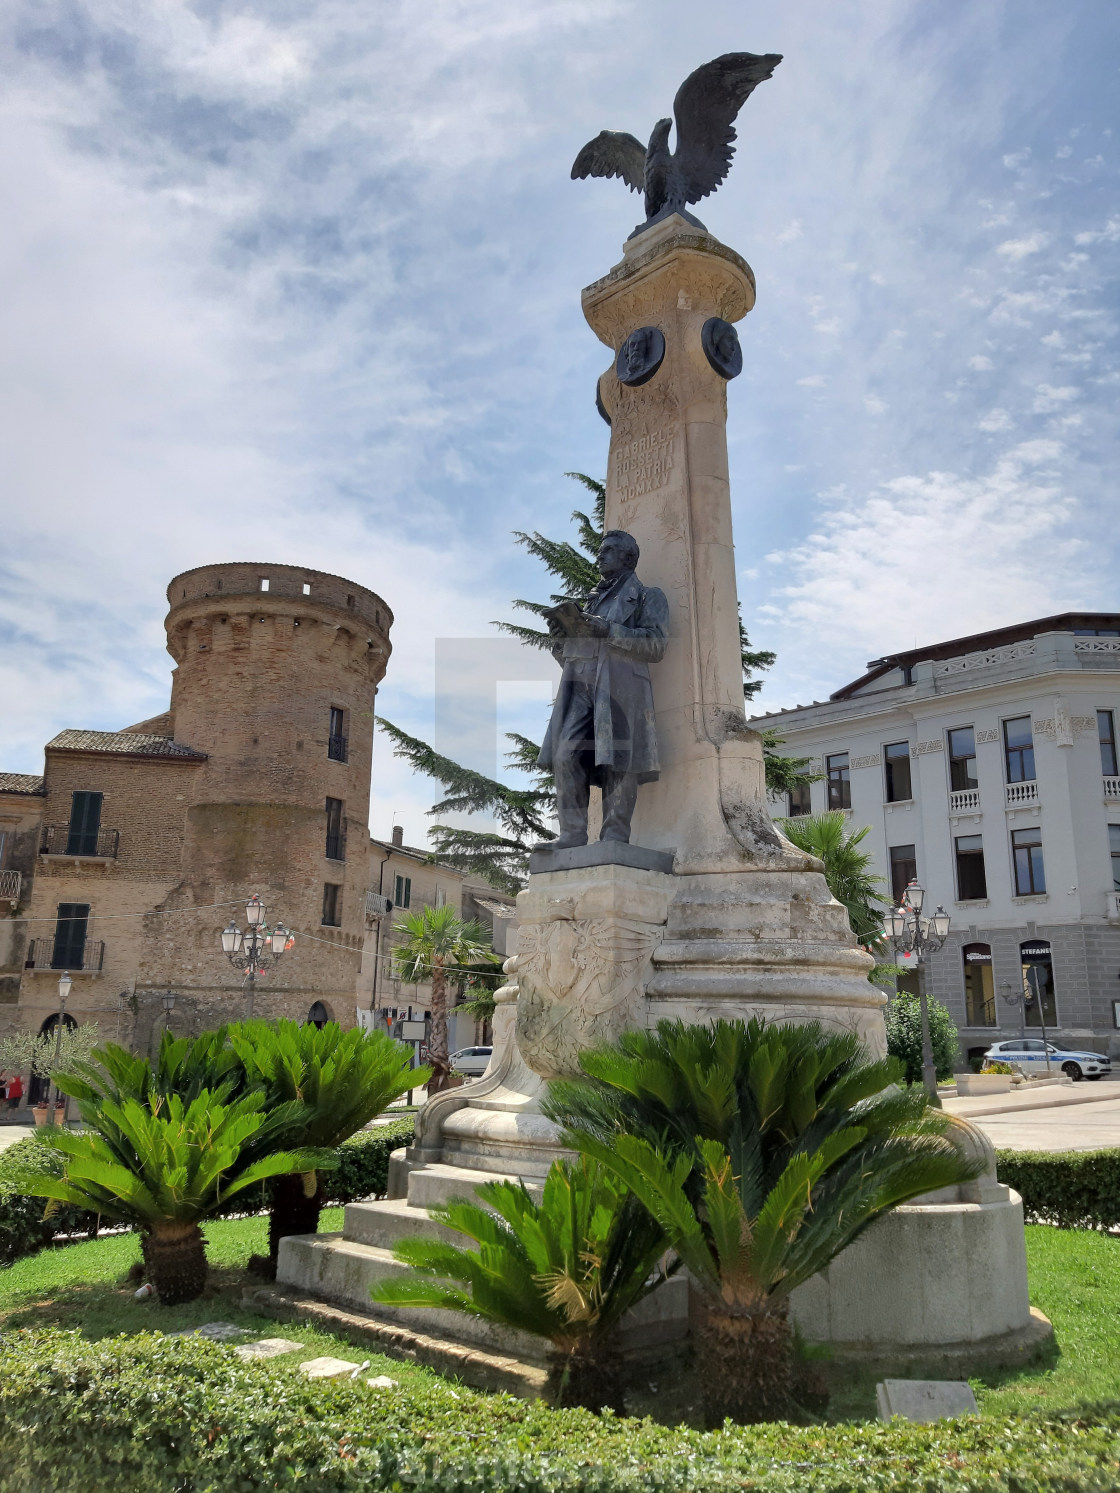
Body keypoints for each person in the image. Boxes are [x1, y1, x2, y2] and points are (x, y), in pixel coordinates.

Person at [537, 529, 668, 847]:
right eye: (601, 550)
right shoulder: (593, 600)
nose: (600, 555)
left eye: (608, 550)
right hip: (581, 687)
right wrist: (562, 639)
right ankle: (571, 834)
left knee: (617, 760)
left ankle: (614, 834)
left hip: (620, 688)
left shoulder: (649, 596)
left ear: (628, 558)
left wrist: (608, 629)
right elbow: (569, 659)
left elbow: (656, 645)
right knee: (566, 755)